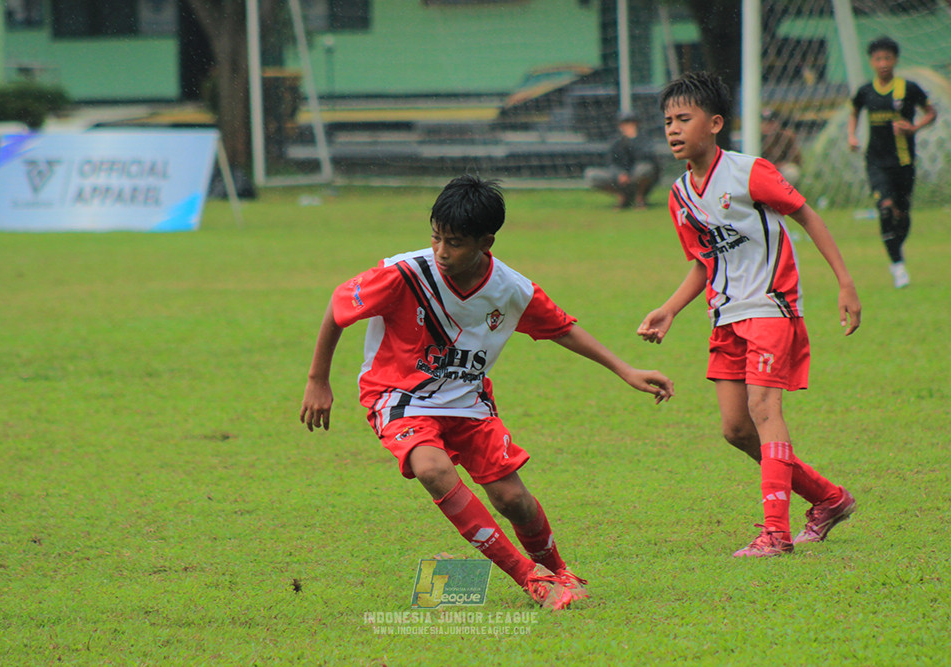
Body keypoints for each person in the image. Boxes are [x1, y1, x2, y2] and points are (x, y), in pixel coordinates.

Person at [300, 174, 674, 608]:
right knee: (432, 469)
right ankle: (529, 578)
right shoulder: (406, 273)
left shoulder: (511, 289)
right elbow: (339, 304)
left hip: (468, 403)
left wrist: (625, 370)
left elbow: (563, 329)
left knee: (513, 498)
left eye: (455, 242)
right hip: (399, 397)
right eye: (436, 237)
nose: (441, 251)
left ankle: (558, 571)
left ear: (486, 242)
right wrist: (317, 379)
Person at [637, 71, 862, 558]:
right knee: (736, 429)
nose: (673, 129)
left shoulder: (749, 171)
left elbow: (807, 215)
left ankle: (776, 533)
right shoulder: (680, 195)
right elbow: (704, 261)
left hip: (772, 305)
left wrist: (844, 281)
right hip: (726, 315)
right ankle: (829, 498)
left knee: (764, 411)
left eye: (684, 118)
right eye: (667, 121)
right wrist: (669, 309)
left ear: (715, 123)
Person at [848, 36, 937, 289]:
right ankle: (897, 266)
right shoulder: (865, 91)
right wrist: (852, 136)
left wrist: (914, 127)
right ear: (871, 62)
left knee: (902, 214)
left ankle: (896, 250)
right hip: (875, 162)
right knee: (885, 208)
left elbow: (931, 112)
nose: (883, 63)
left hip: (904, 162)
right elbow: (854, 112)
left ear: (895, 60)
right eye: (878, 58)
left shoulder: (908, 88)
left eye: (887, 58)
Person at [584, 111, 660, 209]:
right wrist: (620, 174)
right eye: (625, 123)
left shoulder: (643, 139)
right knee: (591, 175)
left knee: (643, 169)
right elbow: (611, 163)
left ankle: (639, 198)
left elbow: (647, 158)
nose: (627, 126)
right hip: (620, 180)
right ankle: (622, 196)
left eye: (631, 122)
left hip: (638, 178)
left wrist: (633, 139)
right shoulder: (615, 141)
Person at [760, 108, 802, 185]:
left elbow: (796, 159)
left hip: (779, 171)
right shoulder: (754, 140)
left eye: (772, 122)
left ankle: (787, 195)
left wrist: (779, 165)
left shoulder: (785, 137)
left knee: (791, 172)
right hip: (759, 171)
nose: (769, 125)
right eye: (766, 122)